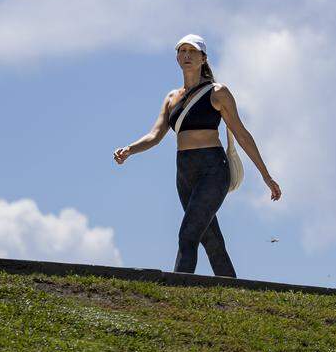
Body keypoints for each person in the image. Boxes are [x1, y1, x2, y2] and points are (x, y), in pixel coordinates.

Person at [113, 34, 281, 277]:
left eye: (193, 51)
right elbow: (155, 135)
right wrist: (130, 149)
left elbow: (242, 134)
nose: (187, 56)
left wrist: (266, 176)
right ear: (177, 58)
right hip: (184, 173)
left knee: (188, 234)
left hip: (213, 169)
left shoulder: (218, 92)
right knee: (211, 241)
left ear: (203, 58)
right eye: (182, 51)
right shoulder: (172, 98)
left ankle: (177, 292)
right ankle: (234, 293)